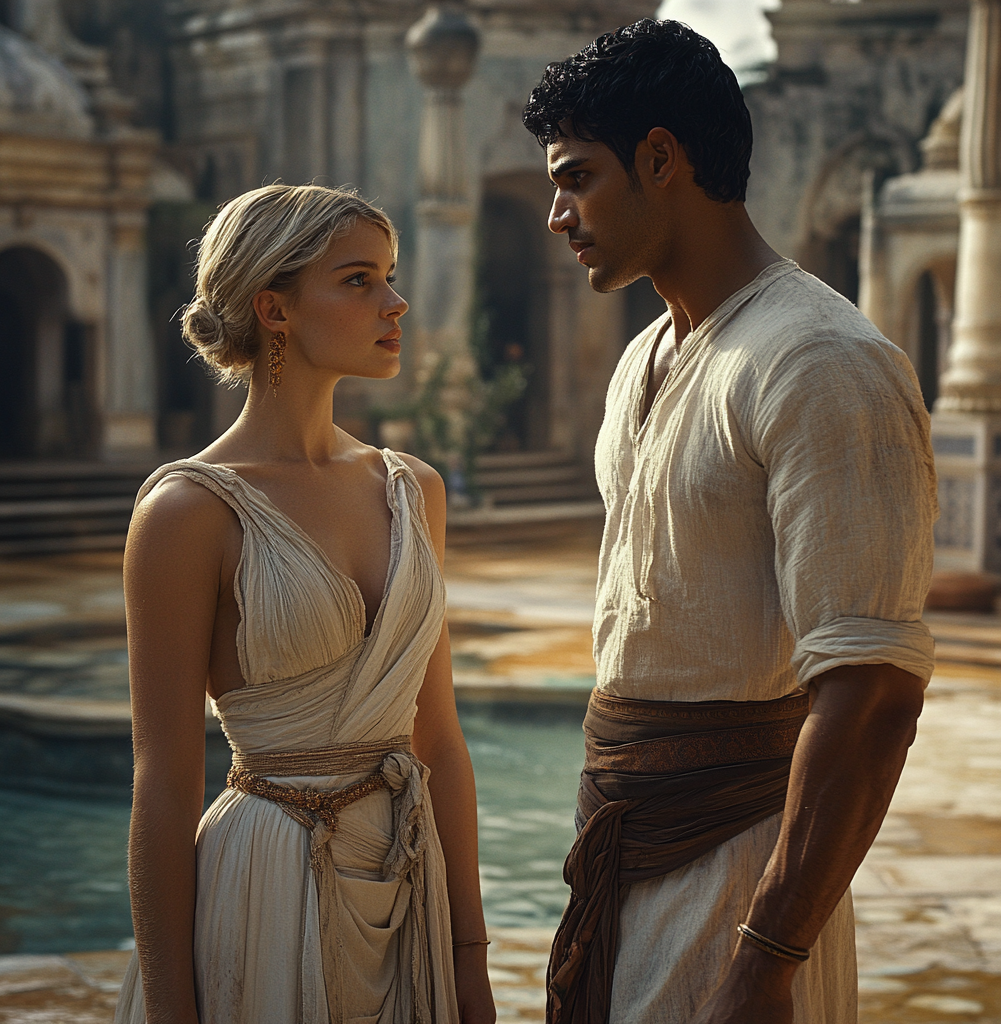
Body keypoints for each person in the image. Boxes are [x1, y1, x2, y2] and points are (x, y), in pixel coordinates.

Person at [522, 19, 936, 1024]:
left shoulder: (820, 358)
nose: (555, 214)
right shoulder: (642, 362)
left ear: (660, 159)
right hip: (631, 842)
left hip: (742, 867)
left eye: (576, 177)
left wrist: (765, 957)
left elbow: (873, 689)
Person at [113, 184, 496, 1024]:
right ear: (273, 308)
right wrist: (175, 1010)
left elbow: (441, 742)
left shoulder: (413, 490)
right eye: (358, 280)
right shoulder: (188, 512)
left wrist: (470, 961)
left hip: (409, 884)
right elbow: (165, 783)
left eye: (390, 276)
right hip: (264, 889)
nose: (396, 303)